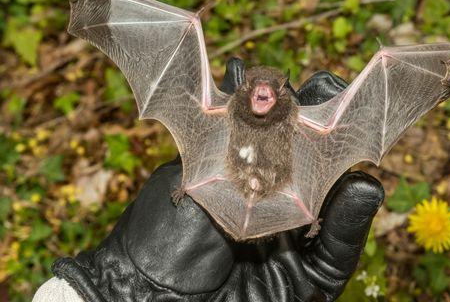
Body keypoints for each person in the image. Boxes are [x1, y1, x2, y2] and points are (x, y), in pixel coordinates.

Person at [33, 58, 384, 302]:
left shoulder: (301, 127)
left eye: (271, 92)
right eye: (257, 90)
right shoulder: (220, 117)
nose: (264, 96)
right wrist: (128, 290)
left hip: (279, 193)